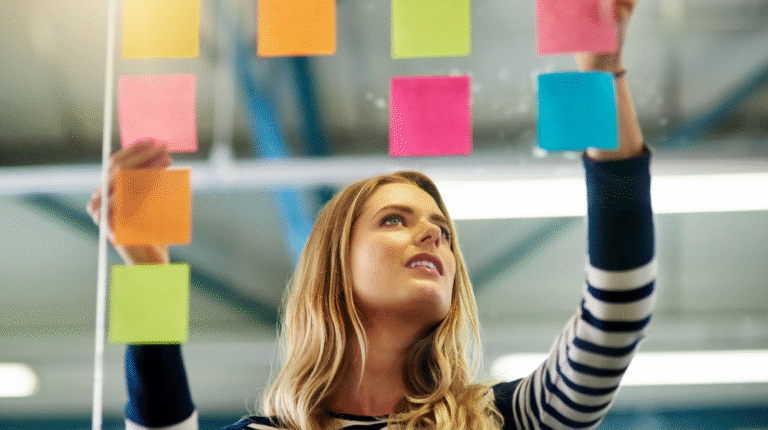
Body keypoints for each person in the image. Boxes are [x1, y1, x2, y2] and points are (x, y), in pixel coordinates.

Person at [86, 1, 655, 428]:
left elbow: (618, 311)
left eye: (444, 232)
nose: (434, 233)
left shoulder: (506, 417)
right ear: (335, 263)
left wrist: (599, 78)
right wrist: (148, 272)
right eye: (394, 220)